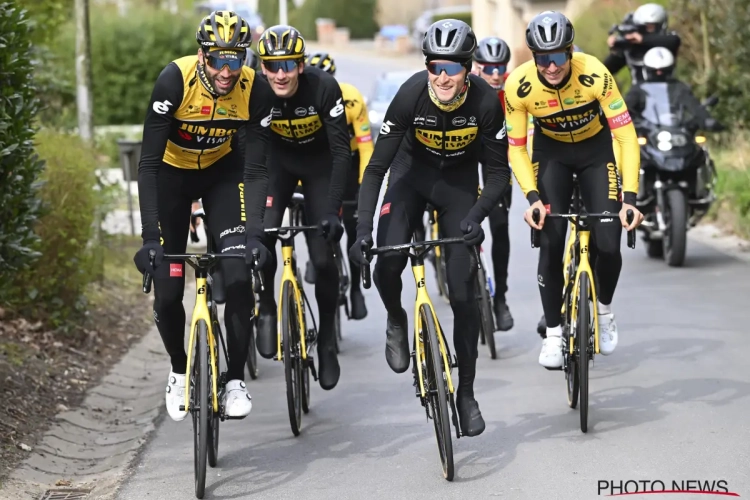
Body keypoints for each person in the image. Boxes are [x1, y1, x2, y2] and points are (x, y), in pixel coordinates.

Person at [349, 19, 511, 437]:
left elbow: (497, 175)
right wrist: (362, 228)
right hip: (410, 178)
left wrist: (475, 216)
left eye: (453, 67)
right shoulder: (410, 96)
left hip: (458, 186)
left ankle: (467, 394)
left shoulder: (488, 103)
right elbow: (375, 170)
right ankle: (397, 318)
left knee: (463, 295)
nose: (442, 76)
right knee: (388, 262)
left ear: (468, 70)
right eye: (435, 66)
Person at [132, 10, 274, 421]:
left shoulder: (255, 89)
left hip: (221, 175)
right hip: (171, 178)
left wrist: (254, 235)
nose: (228, 71)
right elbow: (147, 165)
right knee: (169, 290)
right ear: (201, 56)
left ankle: (233, 379)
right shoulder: (174, 80)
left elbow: (257, 169)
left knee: (237, 274)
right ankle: (179, 369)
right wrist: (148, 238)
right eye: (218, 59)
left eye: (237, 59)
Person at [504, 11, 644, 369]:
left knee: (609, 243)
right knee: (550, 242)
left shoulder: (595, 72)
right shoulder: (518, 86)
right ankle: (552, 334)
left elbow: (625, 135)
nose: (551, 67)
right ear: (533, 57)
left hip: (596, 153)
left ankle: (606, 312)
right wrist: (532, 198)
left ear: (570, 52)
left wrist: (630, 197)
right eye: (542, 58)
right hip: (552, 156)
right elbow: (517, 146)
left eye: (558, 57)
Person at [255, 25, 351, 391]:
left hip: (318, 166)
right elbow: (248, 151)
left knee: (324, 259)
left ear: (300, 65)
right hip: (276, 167)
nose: (281, 74)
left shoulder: (324, 86)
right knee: (261, 238)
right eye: (272, 66)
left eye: (288, 66)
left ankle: (326, 340)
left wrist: (332, 209)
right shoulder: (256, 91)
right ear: (263, 67)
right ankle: (265, 306)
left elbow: (342, 152)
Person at [301, 51, 374, 320]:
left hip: (350, 160)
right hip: (319, 162)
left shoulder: (352, 99)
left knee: (354, 230)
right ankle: (315, 256)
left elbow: (367, 147)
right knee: (311, 217)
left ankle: (356, 288)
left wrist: (364, 183)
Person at [471, 36, 514, 331]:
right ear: (477, 68)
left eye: (500, 67)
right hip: (465, 156)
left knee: (500, 226)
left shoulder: (511, 88)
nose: (496, 74)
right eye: (489, 68)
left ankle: (501, 299)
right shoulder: (467, 86)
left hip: (496, 160)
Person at [625, 47, 724, 132]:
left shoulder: (679, 88)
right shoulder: (638, 89)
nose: (659, 74)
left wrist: (706, 120)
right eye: (655, 71)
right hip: (648, 134)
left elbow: (694, 106)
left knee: (700, 150)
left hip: (678, 132)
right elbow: (626, 108)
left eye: (663, 71)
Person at [604, 3, 681, 84]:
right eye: (643, 27)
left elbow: (674, 41)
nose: (645, 31)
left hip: (667, 90)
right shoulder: (632, 47)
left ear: (661, 25)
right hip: (640, 93)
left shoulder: (667, 41)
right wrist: (616, 49)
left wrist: (642, 39)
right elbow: (605, 71)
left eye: (650, 27)